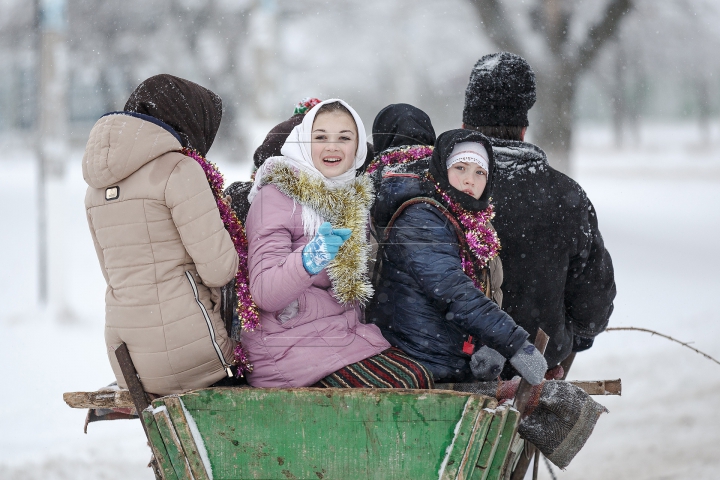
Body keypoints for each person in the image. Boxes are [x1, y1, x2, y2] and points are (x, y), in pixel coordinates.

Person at [243, 99, 433, 389]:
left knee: (418, 374)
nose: (332, 147)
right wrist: (310, 258)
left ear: (357, 147)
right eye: (321, 138)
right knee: (402, 385)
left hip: (334, 335)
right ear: (305, 143)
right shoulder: (276, 197)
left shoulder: (350, 198)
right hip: (284, 347)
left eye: (344, 138)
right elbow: (265, 293)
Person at [82, 74, 239, 395]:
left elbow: (111, 272)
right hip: (193, 349)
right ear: (189, 120)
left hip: (128, 359)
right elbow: (220, 269)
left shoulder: (95, 190)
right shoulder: (177, 170)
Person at [461, 52, 616, 372]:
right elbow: (593, 305)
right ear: (523, 130)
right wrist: (568, 341)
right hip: (535, 370)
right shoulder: (566, 197)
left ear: (464, 127)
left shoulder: (435, 189)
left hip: (443, 365)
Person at [367, 128, 548, 385]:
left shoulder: (466, 219)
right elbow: (453, 291)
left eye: (479, 172)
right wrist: (514, 343)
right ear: (442, 169)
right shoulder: (422, 218)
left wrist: (481, 346)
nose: (469, 181)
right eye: (460, 168)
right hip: (420, 360)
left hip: (441, 355)